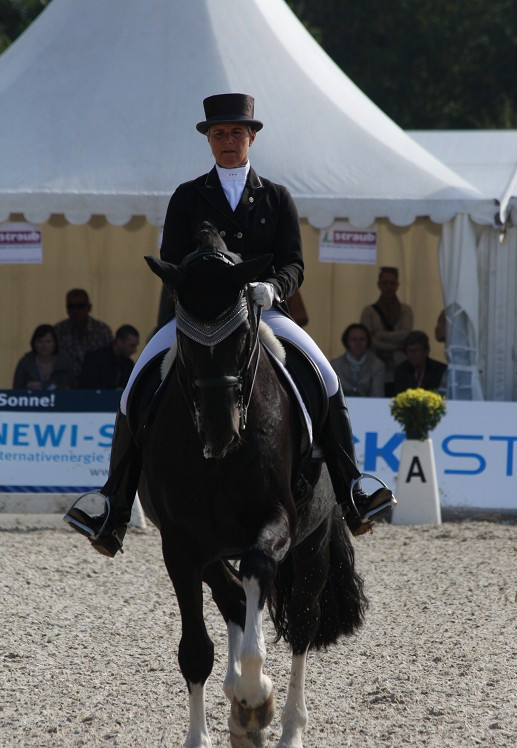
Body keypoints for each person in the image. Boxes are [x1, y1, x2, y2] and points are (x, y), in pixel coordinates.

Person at [65, 93, 394, 556]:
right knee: (134, 385)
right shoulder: (188, 196)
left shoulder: (276, 197)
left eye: (236, 133)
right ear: (209, 141)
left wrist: (274, 289)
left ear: (251, 138)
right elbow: (174, 262)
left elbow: (295, 264)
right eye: (219, 134)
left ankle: (352, 490)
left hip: (264, 311)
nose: (227, 141)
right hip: (199, 316)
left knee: (325, 374)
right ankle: (112, 505)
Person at [360, 267, 414, 396]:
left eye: (392, 283)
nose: (389, 287)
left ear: (397, 285)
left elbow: (406, 335)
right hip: (375, 366)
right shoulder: (369, 311)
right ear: (379, 285)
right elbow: (368, 340)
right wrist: (396, 344)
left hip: (400, 365)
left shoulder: (406, 310)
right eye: (385, 283)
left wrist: (379, 336)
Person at [54, 289, 113, 380]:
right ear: (67, 309)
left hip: (97, 385)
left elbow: (110, 361)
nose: (75, 311)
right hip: (65, 386)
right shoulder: (58, 331)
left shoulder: (102, 331)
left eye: (80, 306)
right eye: (71, 307)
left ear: (89, 308)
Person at [12, 324, 76, 390]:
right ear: (34, 343)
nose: (44, 346)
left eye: (48, 342)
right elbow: (16, 392)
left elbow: (72, 389)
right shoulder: (25, 363)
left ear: (55, 343)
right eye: (40, 341)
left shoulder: (64, 363)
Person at [331, 323, 385, 397]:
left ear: (368, 341)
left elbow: (377, 396)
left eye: (362, 339)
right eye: (354, 339)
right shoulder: (335, 365)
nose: (358, 343)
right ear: (346, 342)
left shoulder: (378, 365)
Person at [79, 325, 140, 390]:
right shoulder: (95, 360)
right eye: (132, 345)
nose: (134, 350)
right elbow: (88, 385)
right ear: (119, 342)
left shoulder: (128, 364)